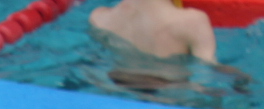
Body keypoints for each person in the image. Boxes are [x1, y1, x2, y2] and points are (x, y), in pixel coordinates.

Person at [90, 0, 219, 64]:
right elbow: (207, 75)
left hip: (116, 92)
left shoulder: (99, 18)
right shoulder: (192, 22)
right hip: (169, 98)